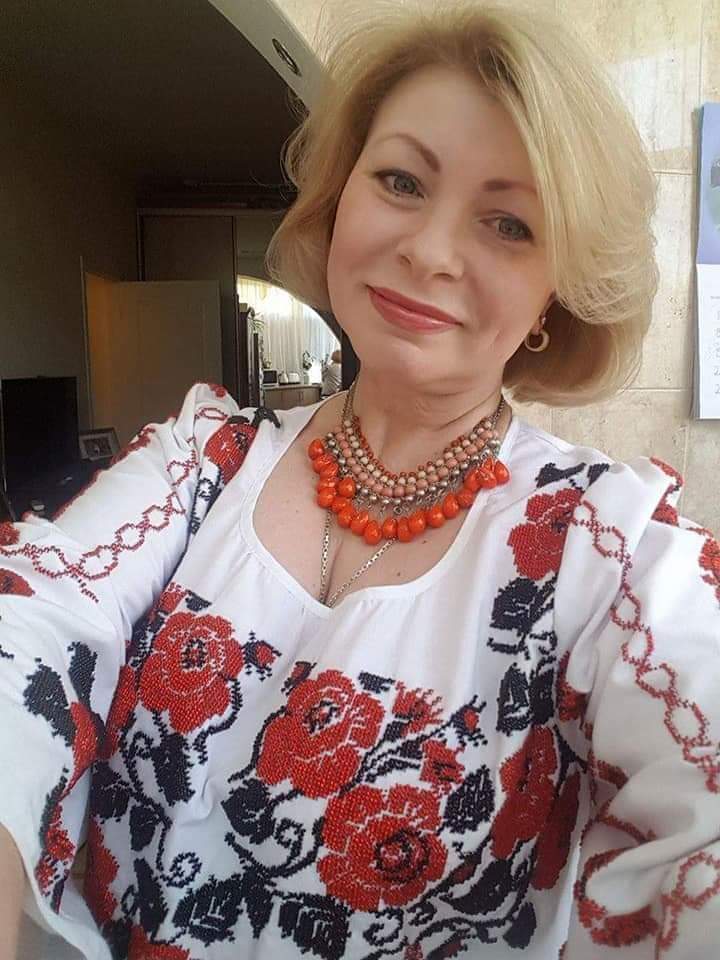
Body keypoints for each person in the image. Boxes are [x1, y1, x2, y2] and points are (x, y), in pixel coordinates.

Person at [1, 4, 719, 959]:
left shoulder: (607, 548)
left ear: (557, 289)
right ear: (340, 198)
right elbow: (34, 620)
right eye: (401, 180)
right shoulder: (203, 458)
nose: (429, 250)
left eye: (509, 222)